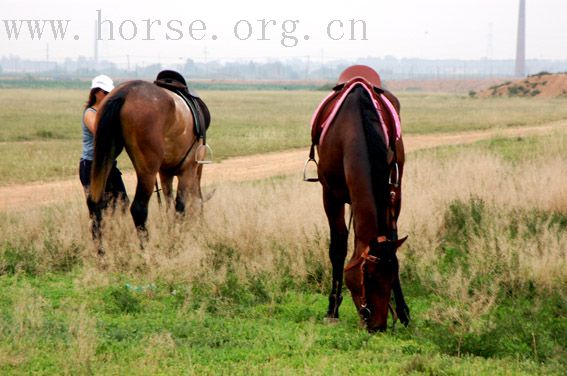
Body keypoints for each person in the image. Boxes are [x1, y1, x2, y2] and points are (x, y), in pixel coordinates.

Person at [79, 75, 128, 210]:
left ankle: (115, 229)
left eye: (111, 93)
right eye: (106, 93)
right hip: (91, 165)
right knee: (97, 209)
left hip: (108, 165)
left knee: (122, 203)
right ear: (97, 93)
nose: (109, 96)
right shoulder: (90, 113)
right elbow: (100, 132)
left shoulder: (108, 112)